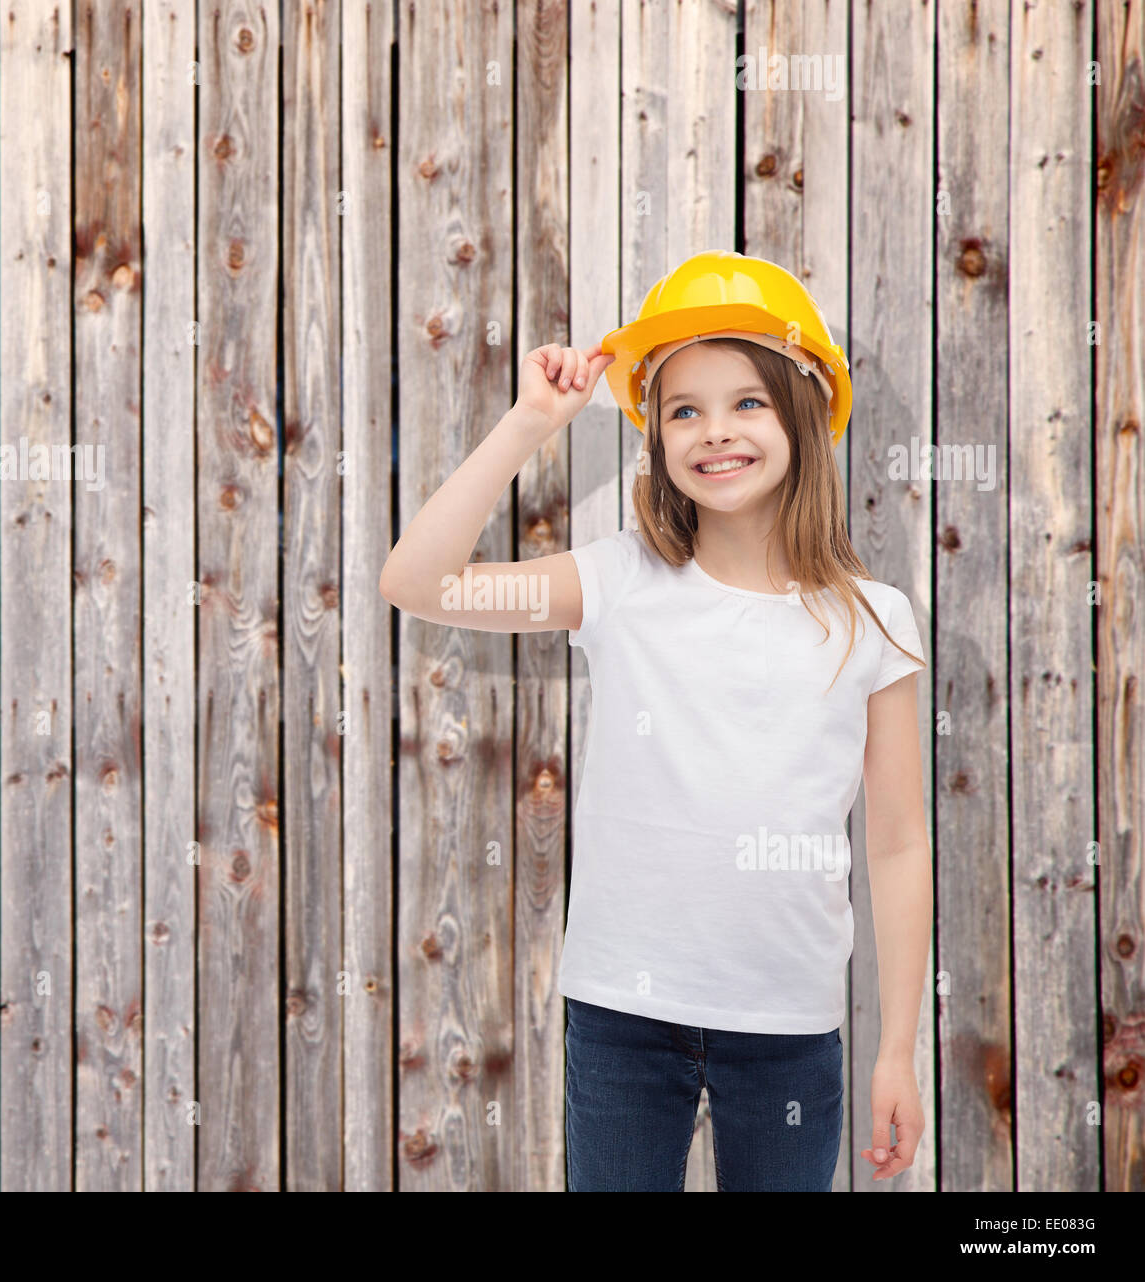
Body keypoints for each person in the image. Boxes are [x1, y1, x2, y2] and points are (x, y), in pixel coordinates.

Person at [379, 250, 931, 1192]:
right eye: (684, 409)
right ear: (656, 434)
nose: (715, 432)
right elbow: (417, 582)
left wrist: (897, 1052)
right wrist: (530, 424)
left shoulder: (875, 618)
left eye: (747, 402)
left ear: (804, 415)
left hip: (791, 1028)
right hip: (623, 1022)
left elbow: (897, 843)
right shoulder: (621, 581)